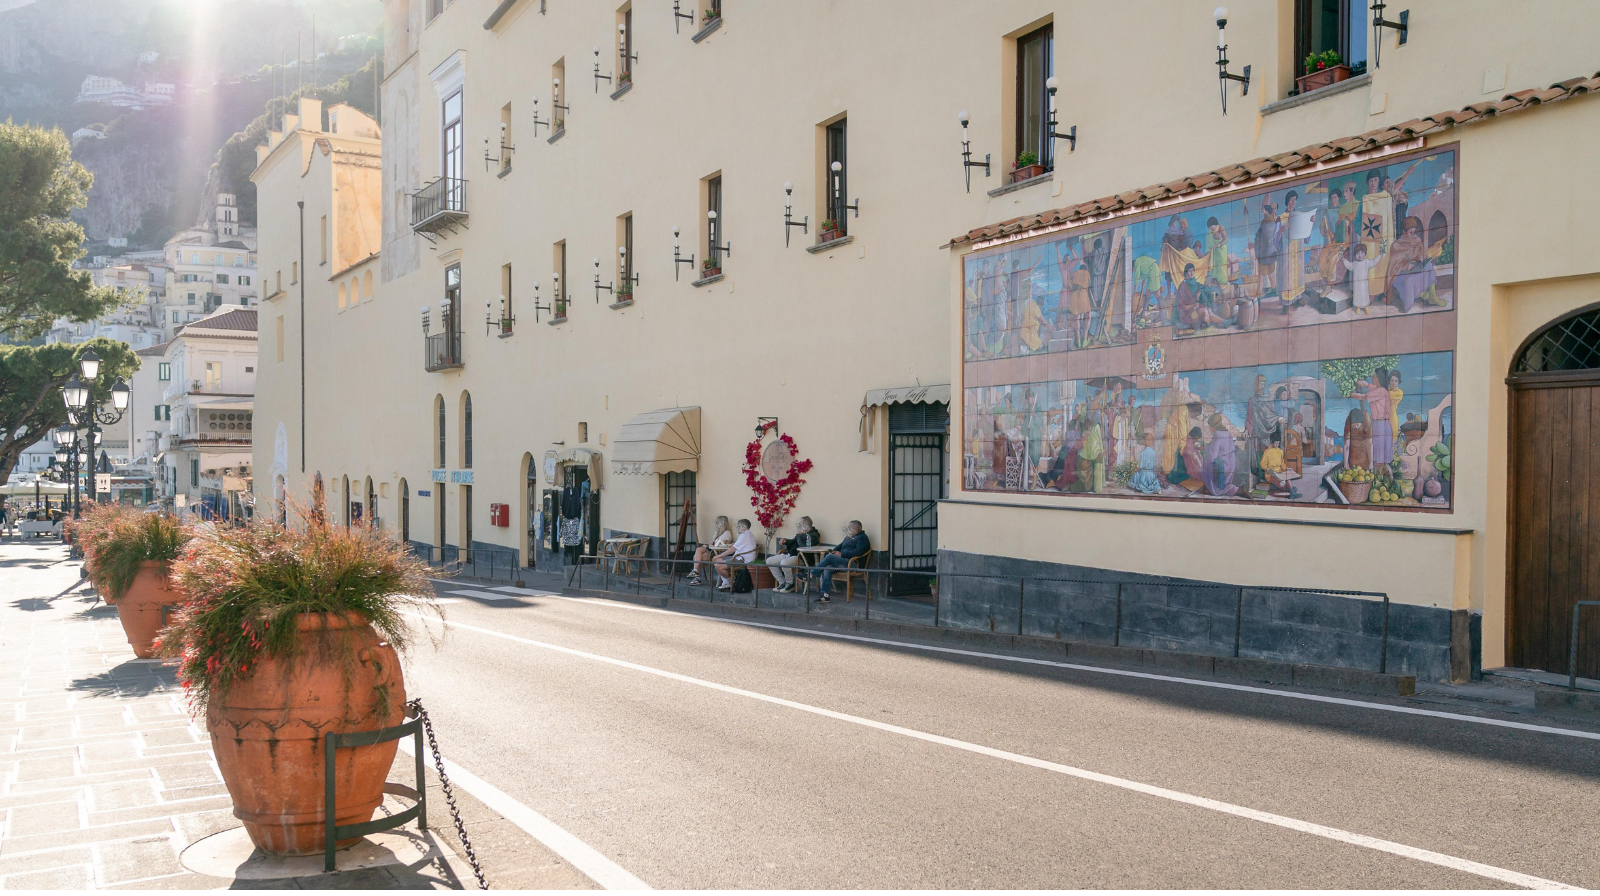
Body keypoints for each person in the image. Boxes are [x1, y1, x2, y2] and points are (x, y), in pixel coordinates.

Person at [813, 520, 870, 602]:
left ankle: (812, 573)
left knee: (829, 557)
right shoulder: (848, 537)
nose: (848, 529)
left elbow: (858, 552)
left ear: (856, 529)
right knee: (827, 568)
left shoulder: (863, 538)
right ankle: (825, 596)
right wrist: (834, 551)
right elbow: (839, 546)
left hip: (853, 564)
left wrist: (842, 554)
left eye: (850, 528)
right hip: (843, 563)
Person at [769, 516, 820, 592]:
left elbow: (803, 546)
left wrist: (799, 535)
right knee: (770, 561)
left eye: (800, 524)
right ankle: (782, 582)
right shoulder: (802, 533)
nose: (798, 526)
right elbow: (793, 541)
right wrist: (785, 541)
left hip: (802, 558)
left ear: (806, 525)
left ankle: (790, 584)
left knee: (784, 563)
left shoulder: (814, 535)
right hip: (792, 555)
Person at [713, 518, 759, 591]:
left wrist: (719, 555)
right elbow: (738, 546)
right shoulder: (747, 534)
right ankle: (726, 582)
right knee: (716, 560)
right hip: (738, 557)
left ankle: (730, 581)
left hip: (742, 560)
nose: (737, 528)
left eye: (738, 526)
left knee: (719, 566)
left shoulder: (745, 535)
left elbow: (732, 550)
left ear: (743, 527)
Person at [687, 515, 733, 586]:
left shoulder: (727, 533)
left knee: (696, 556)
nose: (715, 525)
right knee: (697, 553)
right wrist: (707, 545)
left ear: (720, 524)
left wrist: (710, 545)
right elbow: (712, 543)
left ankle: (696, 577)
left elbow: (718, 545)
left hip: (718, 553)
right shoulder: (717, 533)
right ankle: (696, 574)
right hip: (712, 551)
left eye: (716, 523)